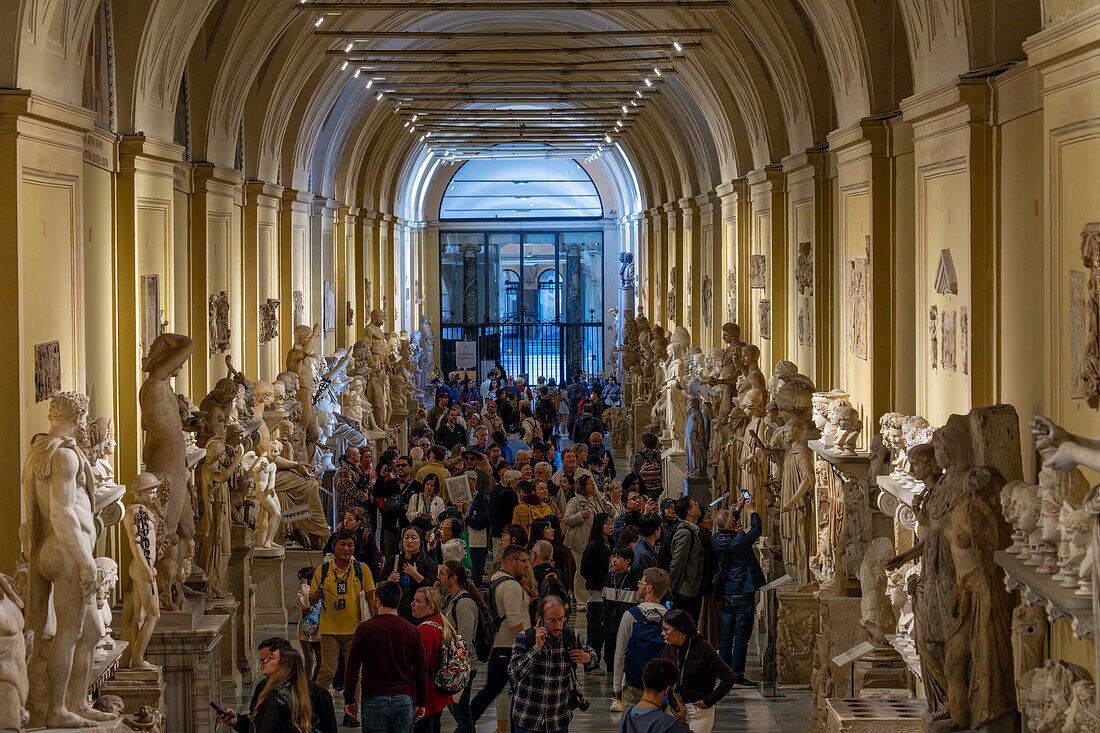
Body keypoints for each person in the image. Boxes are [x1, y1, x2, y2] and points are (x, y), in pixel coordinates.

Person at [308, 528, 377, 724]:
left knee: (353, 673)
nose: (347, 549)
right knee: (327, 671)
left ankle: (351, 713)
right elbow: (312, 598)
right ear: (334, 547)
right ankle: (315, 710)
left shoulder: (361, 569)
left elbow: (371, 596)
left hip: (355, 630)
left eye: (350, 545)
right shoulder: (322, 571)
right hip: (330, 630)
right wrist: (315, 594)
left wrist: (375, 620)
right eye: (343, 544)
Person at [344, 581, 429, 732]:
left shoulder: (364, 629)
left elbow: (352, 667)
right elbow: (420, 669)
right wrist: (421, 702)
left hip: (374, 696)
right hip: (403, 696)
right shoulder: (411, 630)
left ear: (378, 601)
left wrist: (350, 698)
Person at [508, 595, 597, 733]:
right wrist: (536, 649)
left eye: (561, 619)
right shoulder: (524, 638)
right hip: (527, 719)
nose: (557, 625)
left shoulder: (572, 637)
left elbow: (593, 659)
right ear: (541, 620)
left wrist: (588, 658)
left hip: (558, 720)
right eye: (551, 620)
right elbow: (514, 674)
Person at [470, 544, 532, 731]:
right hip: (512, 649)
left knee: (491, 691)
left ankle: (465, 724)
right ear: (511, 561)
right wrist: (526, 649)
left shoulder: (495, 580)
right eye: (523, 561)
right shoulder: (511, 586)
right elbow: (514, 620)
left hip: (498, 648)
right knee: (519, 694)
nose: (526, 566)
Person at [218, 637, 337, 733]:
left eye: (269, 658)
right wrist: (238, 720)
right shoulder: (263, 687)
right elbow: (258, 723)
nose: (263, 662)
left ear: (284, 661)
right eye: (262, 658)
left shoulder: (318, 693)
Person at [712, 497, 765, 683]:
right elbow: (757, 530)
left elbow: (726, 525)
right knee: (741, 635)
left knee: (726, 634)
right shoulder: (740, 540)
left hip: (727, 591)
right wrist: (752, 510)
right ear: (734, 524)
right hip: (743, 590)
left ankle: (724, 670)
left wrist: (738, 509)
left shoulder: (716, 539)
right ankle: (737, 674)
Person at [660, 610, 736, 733]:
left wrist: (709, 701)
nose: (663, 633)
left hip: (698, 712)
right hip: (674, 709)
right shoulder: (669, 649)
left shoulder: (703, 648)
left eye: (666, 629)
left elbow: (729, 677)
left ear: (679, 630)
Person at [438, 561, 487, 733]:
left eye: (443, 574)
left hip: (462, 666)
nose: (439, 577)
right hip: (457, 664)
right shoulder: (453, 599)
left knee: (461, 713)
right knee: (459, 711)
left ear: (453, 578)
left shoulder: (464, 603)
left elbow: (465, 638)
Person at [613, 568, 671, 710]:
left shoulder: (631, 615)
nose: (638, 585)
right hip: (661, 689)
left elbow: (620, 654)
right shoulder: (670, 620)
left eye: (641, 582)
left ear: (649, 588)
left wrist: (617, 686)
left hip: (634, 686)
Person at [410, 587, 455, 732]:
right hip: (437, 693)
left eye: (418, 601)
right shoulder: (441, 622)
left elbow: (418, 666)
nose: (412, 604)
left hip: (426, 695)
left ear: (430, 607)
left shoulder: (425, 631)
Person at [382, 526, 438, 622]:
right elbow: (379, 585)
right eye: (406, 537)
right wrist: (389, 581)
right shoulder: (393, 560)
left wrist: (415, 575)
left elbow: (432, 589)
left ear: (421, 541)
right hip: (396, 611)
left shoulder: (428, 562)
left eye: (414, 538)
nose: (409, 541)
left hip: (419, 614)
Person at [618, 658, 690, 733]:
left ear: (644, 682)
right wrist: (682, 721)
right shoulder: (670, 724)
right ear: (668, 691)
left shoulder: (626, 716)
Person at [602, 544, 641, 683]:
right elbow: (605, 599)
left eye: (618, 557)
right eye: (613, 557)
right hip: (609, 620)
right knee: (610, 645)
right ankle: (611, 668)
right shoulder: (609, 577)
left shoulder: (635, 578)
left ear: (627, 561)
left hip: (625, 620)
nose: (614, 560)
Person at [579, 513, 613, 674]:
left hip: (609, 594)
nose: (611, 526)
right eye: (607, 524)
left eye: (612, 523)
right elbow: (585, 571)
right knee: (595, 632)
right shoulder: (593, 547)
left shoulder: (611, 544)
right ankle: (590, 663)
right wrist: (605, 577)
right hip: (596, 593)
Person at [563, 474, 603, 608]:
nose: (592, 485)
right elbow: (567, 520)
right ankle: (581, 600)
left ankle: (592, 596)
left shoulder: (598, 498)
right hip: (579, 541)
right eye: (589, 483)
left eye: (593, 482)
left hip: (595, 541)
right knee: (581, 570)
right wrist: (581, 515)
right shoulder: (575, 501)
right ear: (582, 487)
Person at [375, 457, 421, 556]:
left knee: (407, 556)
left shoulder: (417, 486)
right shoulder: (390, 483)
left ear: (411, 467)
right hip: (390, 526)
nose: (400, 468)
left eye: (403, 465)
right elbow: (376, 493)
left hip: (407, 526)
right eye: (398, 465)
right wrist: (381, 477)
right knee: (390, 556)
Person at [668, 498, 705, 621]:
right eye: (695, 505)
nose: (697, 506)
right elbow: (677, 563)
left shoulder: (693, 530)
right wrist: (671, 588)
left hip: (692, 589)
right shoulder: (685, 533)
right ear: (690, 512)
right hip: (686, 591)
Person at [323, 508, 381, 581]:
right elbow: (326, 551)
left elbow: (373, 562)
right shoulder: (337, 535)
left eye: (350, 520)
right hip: (339, 574)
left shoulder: (366, 537)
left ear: (358, 522)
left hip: (360, 575)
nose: (346, 522)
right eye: (345, 518)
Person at [297, 567, 322, 681]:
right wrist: (304, 587)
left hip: (318, 630)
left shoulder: (320, 592)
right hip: (305, 631)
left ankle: (314, 683)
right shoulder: (303, 591)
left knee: (321, 660)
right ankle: (307, 685)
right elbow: (304, 604)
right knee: (309, 661)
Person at [335, 446, 369, 521]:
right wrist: (363, 496)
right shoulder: (346, 469)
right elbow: (349, 487)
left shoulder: (355, 468)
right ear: (352, 456)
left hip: (358, 503)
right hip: (350, 503)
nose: (360, 455)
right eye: (358, 453)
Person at [632, 433, 664, 498]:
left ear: (644, 444)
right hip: (656, 488)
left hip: (643, 487)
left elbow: (634, 472)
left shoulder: (639, 456)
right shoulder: (657, 456)